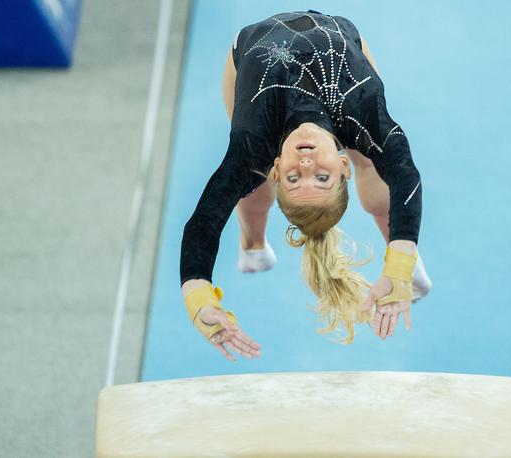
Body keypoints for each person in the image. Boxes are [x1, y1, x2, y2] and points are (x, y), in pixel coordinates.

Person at [180, 10, 432, 362]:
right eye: (322, 178)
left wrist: (199, 298)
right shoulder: (362, 106)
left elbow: (203, 223)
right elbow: (405, 174)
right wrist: (401, 263)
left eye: (294, 178)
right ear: (340, 167)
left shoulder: (254, 143)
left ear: (279, 168)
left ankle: (252, 244)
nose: (307, 165)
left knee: (248, 179)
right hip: (343, 38)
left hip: (247, 49)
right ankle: (257, 248)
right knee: (374, 159)